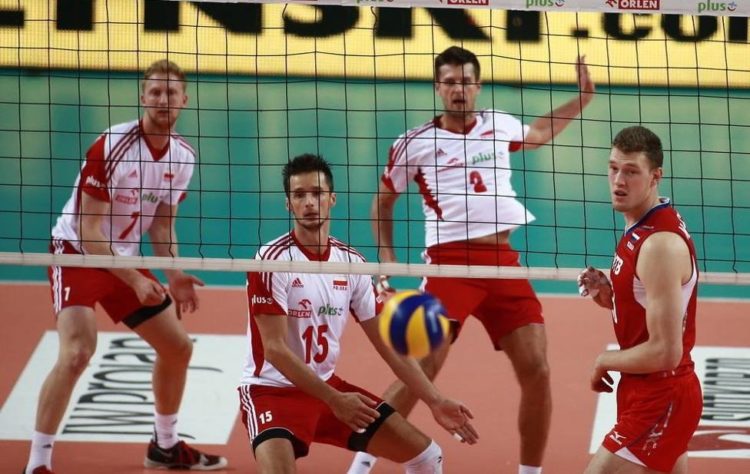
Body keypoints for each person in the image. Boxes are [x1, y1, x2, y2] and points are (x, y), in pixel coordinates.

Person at [349, 46, 595, 474]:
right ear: (437, 88)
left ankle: (530, 472)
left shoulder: (498, 124)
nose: (458, 89)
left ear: (477, 86)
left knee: (537, 369)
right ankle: (361, 464)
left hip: (503, 263)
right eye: (449, 82)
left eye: (465, 81)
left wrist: (584, 97)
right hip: (450, 265)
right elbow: (382, 202)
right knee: (423, 367)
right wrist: (387, 262)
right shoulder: (415, 142)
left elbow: (539, 133)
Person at [25, 60, 227, 474]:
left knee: (178, 347)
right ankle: (37, 463)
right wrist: (134, 278)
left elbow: (162, 225)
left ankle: (164, 447)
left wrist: (174, 274)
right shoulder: (112, 145)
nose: (163, 100)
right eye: (155, 92)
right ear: (142, 97)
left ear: (185, 101)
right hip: (78, 253)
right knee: (77, 352)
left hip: (124, 256)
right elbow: (89, 229)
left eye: (171, 93)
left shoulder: (183, 157)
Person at [240, 153, 478, 473]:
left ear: (332, 199)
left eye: (317, 193)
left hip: (327, 386)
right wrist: (334, 399)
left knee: (427, 455)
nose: (309, 202)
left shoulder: (350, 263)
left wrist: (435, 400)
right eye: (299, 195)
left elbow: (388, 345)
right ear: (288, 204)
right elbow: (275, 350)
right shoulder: (270, 261)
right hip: (272, 392)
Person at [577, 126, 702, 474]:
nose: (619, 180)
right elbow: (649, 301)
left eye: (631, 171)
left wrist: (604, 360)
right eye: (613, 168)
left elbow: (665, 352)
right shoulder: (641, 223)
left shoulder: (659, 245)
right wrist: (612, 295)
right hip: (645, 388)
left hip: (661, 395)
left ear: (655, 177)